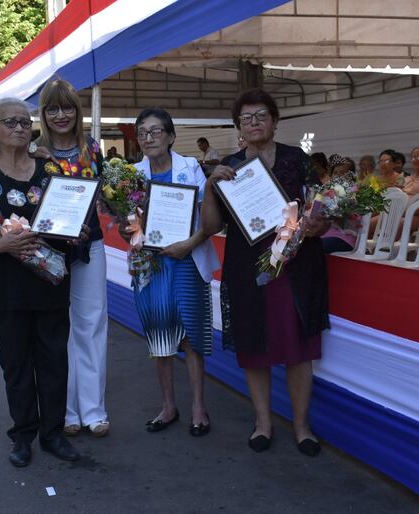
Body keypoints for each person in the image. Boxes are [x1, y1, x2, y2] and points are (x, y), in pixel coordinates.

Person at [201, 89, 329, 457]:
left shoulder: (297, 160)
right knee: (253, 344)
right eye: (246, 118)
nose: (254, 123)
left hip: (295, 264)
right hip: (247, 267)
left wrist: (318, 222)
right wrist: (211, 185)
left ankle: (302, 427)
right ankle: (263, 423)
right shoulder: (229, 165)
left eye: (261, 116)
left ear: (275, 120)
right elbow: (210, 226)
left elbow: (319, 205)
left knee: (297, 347)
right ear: (238, 126)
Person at [0, 97, 86, 467]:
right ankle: (22, 436)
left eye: (24, 121)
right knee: (16, 365)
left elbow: (70, 218)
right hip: (7, 287)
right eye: (9, 122)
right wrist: (0, 243)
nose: (19, 128)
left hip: (51, 283)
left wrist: (77, 230)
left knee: (54, 362)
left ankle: (53, 434)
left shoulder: (50, 170)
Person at [128, 108, 219, 436]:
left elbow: (210, 219)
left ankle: (198, 406)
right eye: (142, 133)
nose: (148, 138)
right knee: (159, 334)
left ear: (170, 136)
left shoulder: (191, 167)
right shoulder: (131, 174)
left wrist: (189, 243)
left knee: (192, 337)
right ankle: (168, 406)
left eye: (155, 131)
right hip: (151, 265)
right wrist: (131, 231)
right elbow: (128, 221)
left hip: (187, 260)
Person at [35, 79, 110, 438]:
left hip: (90, 247)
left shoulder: (92, 149)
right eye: (52, 108)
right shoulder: (33, 153)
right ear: (44, 114)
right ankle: (67, 412)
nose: (61, 115)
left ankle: (94, 410)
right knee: (57, 331)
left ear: (77, 112)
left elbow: (109, 198)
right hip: (48, 254)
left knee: (91, 326)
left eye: (67, 108)